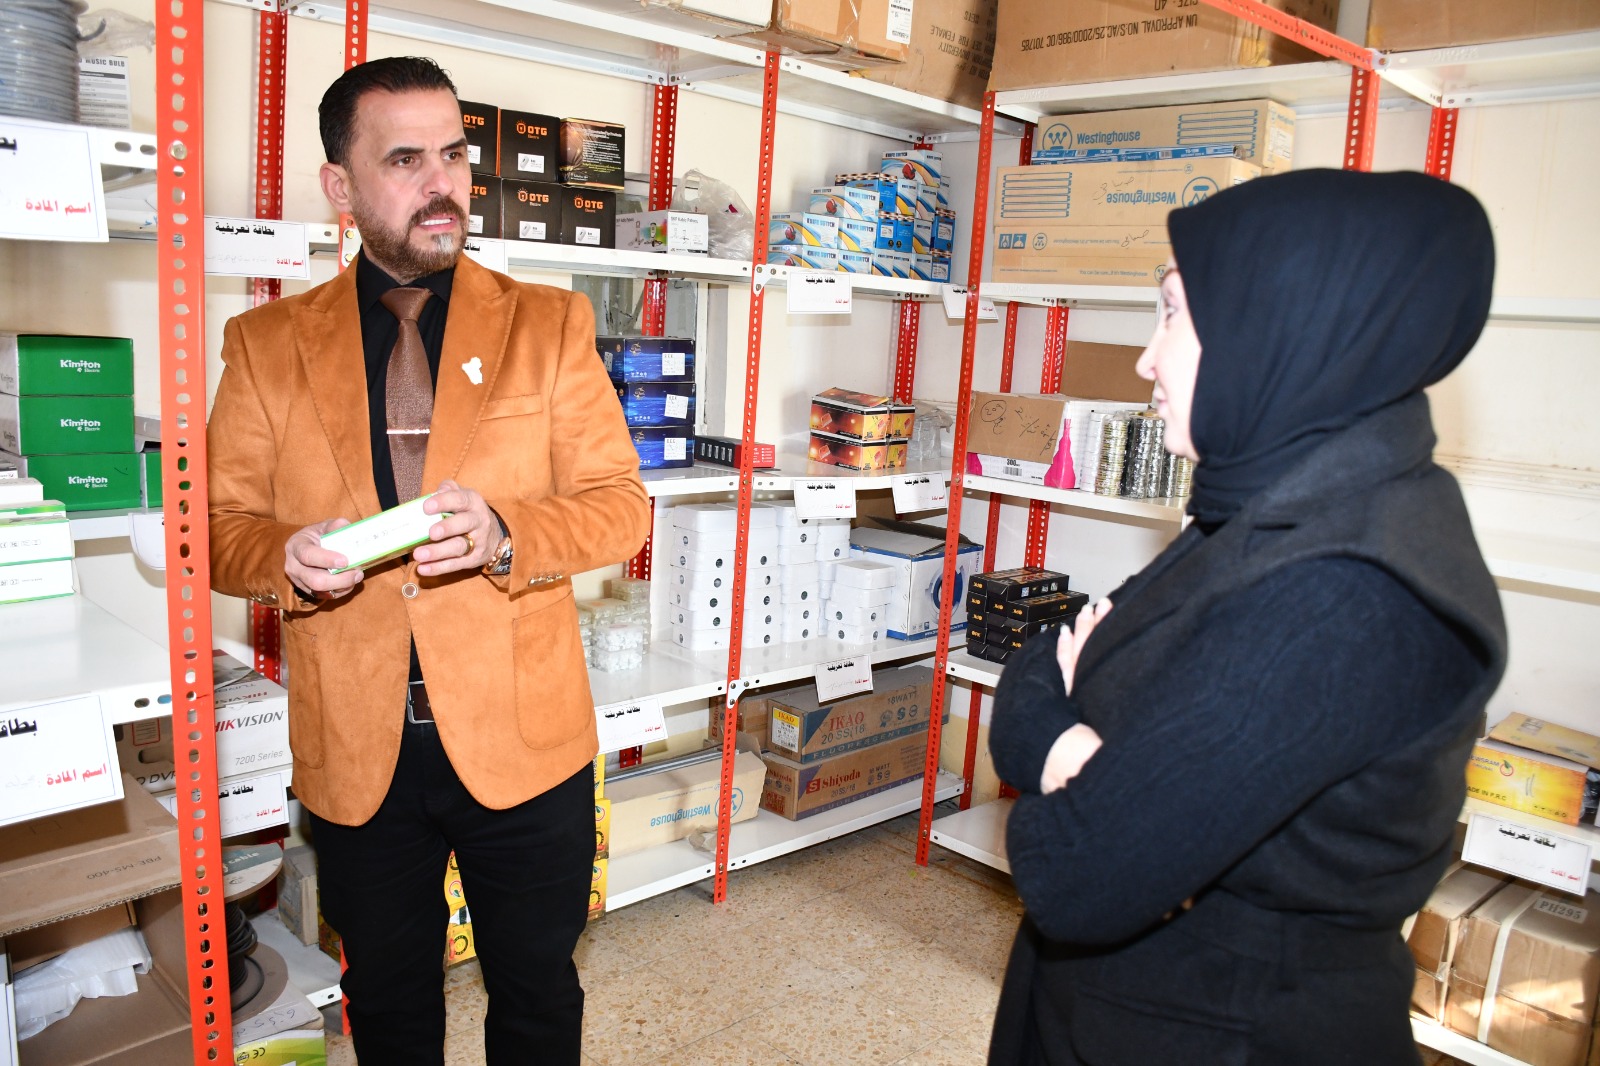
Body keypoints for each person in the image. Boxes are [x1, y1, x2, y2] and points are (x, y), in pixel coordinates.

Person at [986, 169, 1508, 1066]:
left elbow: (1076, 871)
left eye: (1173, 315)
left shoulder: (1347, 592)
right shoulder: (1269, 502)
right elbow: (1049, 658)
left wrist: (1056, 743)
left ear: (1284, 325)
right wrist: (1084, 755)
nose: (1146, 360)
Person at [207, 56, 650, 1065]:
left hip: (524, 736)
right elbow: (221, 529)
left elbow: (619, 508)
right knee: (389, 1001)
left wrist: (507, 535)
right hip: (359, 747)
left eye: (453, 154)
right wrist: (282, 556)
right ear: (341, 185)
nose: (442, 181)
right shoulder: (265, 343)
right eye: (405, 159)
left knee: (537, 991)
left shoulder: (548, 322)